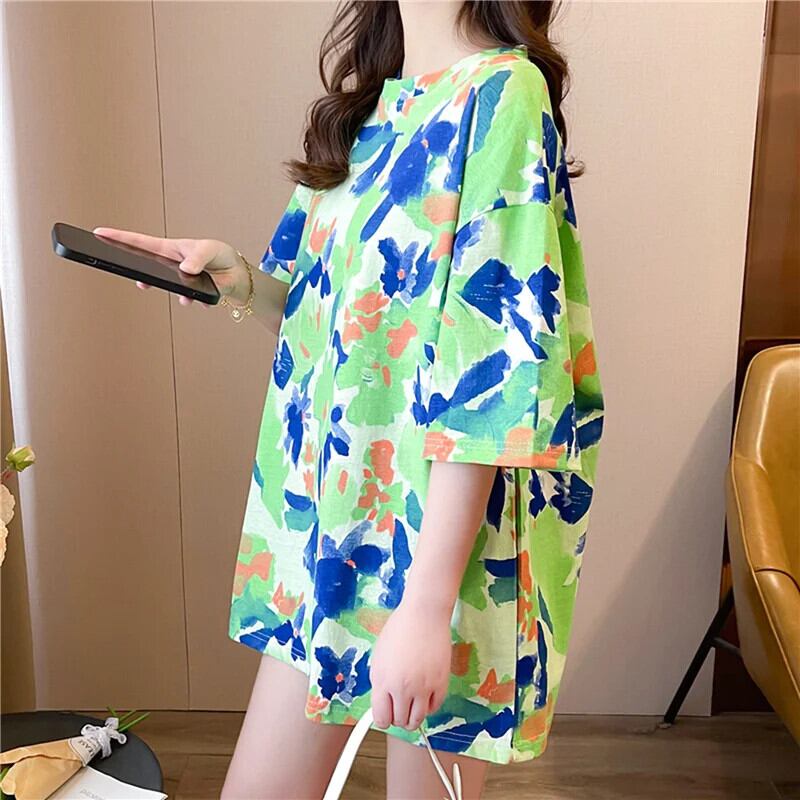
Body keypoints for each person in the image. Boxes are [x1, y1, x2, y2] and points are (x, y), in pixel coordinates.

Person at [94, 1, 605, 797]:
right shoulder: (369, 107)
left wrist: (427, 607)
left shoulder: (503, 93)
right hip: (333, 531)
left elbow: (494, 377)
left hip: (440, 544)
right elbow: (329, 321)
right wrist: (235, 278)